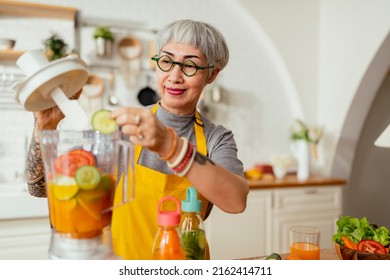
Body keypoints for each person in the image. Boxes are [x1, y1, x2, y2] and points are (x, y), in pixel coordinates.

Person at [26, 19, 249, 260]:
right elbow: (39, 188)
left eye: (190, 66)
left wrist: (171, 147)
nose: (174, 76)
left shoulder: (216, 138)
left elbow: (236, 201)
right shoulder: (123, 126)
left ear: (212, 74)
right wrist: (44, 127)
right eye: (166, 61)